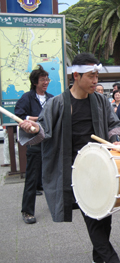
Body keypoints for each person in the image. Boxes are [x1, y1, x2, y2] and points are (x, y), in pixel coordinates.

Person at [18, 53, 120, 262]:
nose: (96, 81)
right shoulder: (57, 104)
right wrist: (33, 128)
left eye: (97, 76)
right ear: (76, 75)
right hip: (76, 174)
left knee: (105, 220)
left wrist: (116, 139)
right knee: (93, 219)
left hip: (101, 170)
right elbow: (43, 129)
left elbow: (113, 125)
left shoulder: (101, 101)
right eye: (91, 76)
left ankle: (99, 258)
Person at [14, 64, 54, 224]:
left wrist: (37, 118)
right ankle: (27, 211)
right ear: (35, 82)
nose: (46, 82)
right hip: (35, 143)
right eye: (43, 80)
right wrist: (38, 119)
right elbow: (20, 115)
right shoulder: (27, 98)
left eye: (47, 79)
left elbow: (56, 116)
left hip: (50, 142)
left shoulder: (51, 98)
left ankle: (60, 205)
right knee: (31, 179)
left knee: (55, 176)